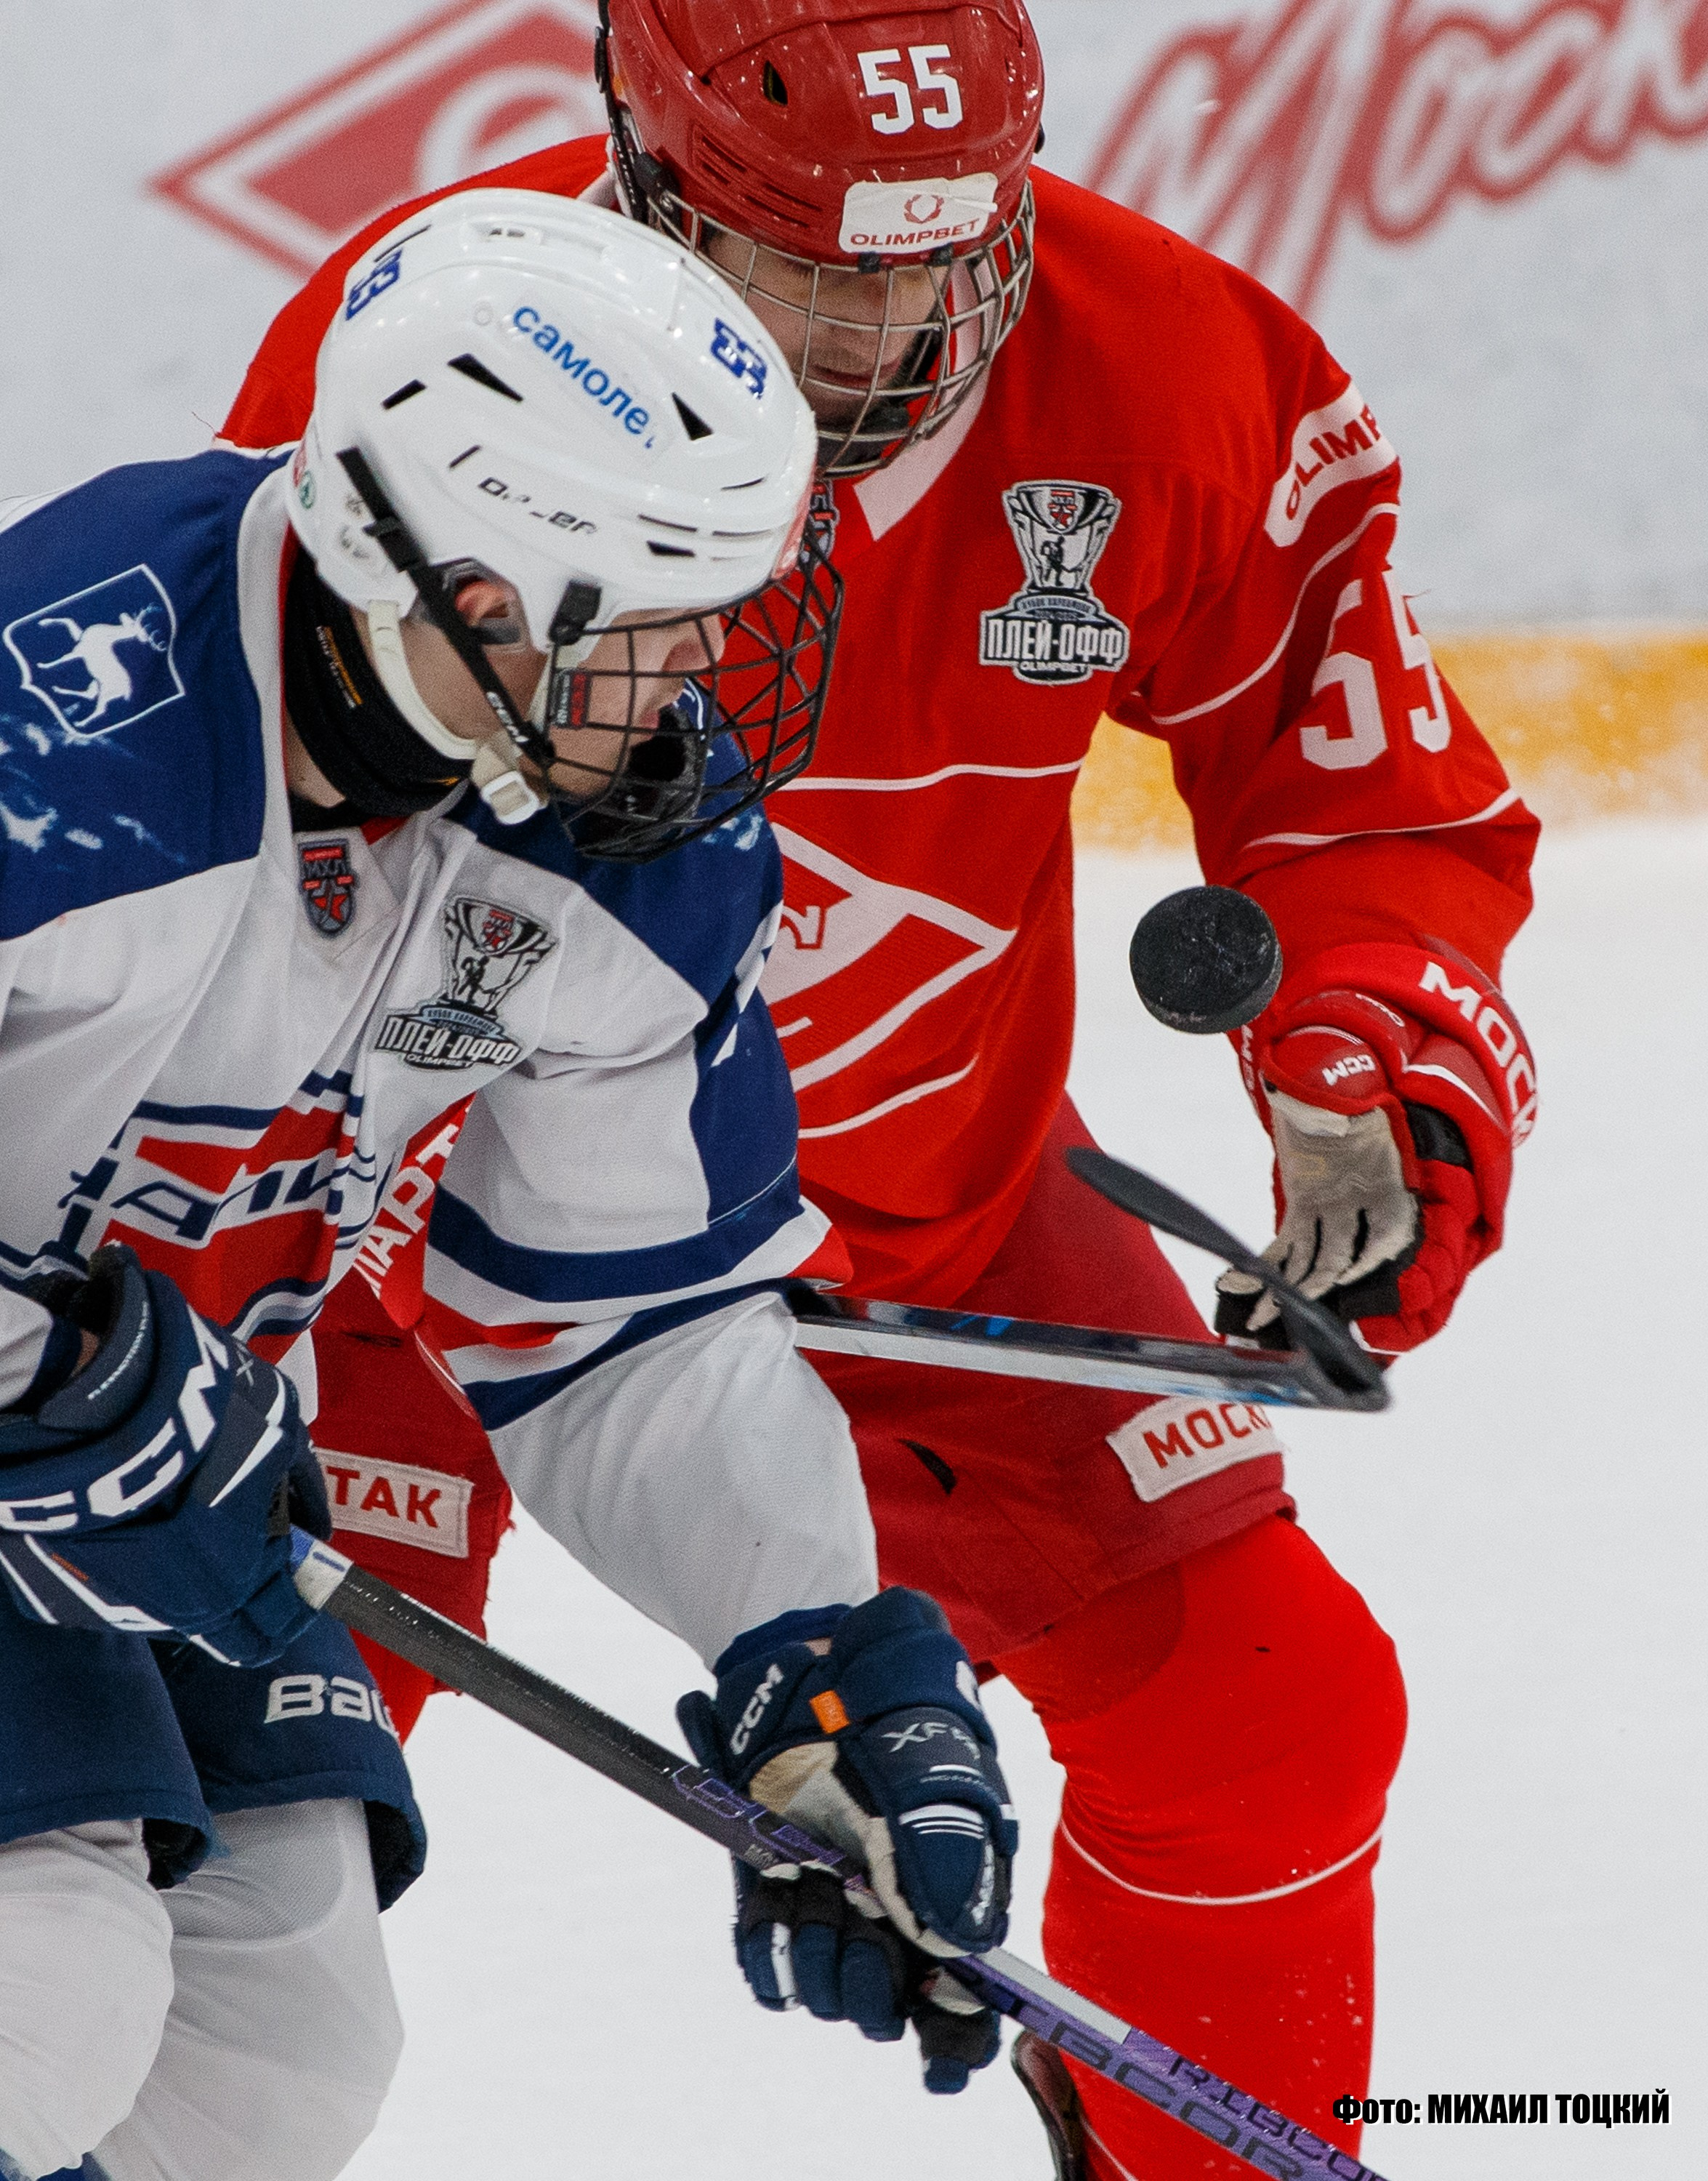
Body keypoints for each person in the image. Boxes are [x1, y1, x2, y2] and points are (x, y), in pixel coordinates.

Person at [223, 4, 1542, 2172]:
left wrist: (1376, 1049)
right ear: (641, 182)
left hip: (920, 1214)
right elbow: (236, 833)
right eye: (816, 265)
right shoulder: (437, 348)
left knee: (1269, 1716)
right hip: (406, 1244)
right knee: (210, 1774)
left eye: (946, 255)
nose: (889, 330)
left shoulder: (1167, 366)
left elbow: (1355, 781)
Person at [0, 190, 1020, 2181]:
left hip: (164, 1482)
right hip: (58, 1448)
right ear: (430, 564)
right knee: (41, 1989)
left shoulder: (604, 832)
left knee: (272, 2054)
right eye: (638, 621)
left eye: (715, 613)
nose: (696, 683)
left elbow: (628, 1322)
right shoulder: (60, 727)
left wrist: (812, 1654)